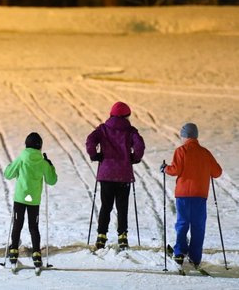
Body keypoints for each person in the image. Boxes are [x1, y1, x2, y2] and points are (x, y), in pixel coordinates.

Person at [160, 123, 222, 267]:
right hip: (200, 196)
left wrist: (165, 169)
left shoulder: (181, 151)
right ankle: (195, 257)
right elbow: (217, 172)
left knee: (182, 224)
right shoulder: (205, 153)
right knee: (198, 226)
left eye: (181, 135)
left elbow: (175, 170)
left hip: (183, 196)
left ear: (185, 136)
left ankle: (180, 253)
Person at [85, 101, 145, 250]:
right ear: (127, 116)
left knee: (106, 206)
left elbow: (90, 140)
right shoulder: (130, 131)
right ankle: (122, 236)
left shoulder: (103, 129)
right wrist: (134, 158)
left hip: (106, 174)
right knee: (122, 207)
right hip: (123, 174)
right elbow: (139, 146)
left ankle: (101, 236)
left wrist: (95, 155)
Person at [4, 132, 57, 268]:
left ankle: (14, 250)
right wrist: (50, 166)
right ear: (40, 147)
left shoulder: (21, 158)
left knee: (17, 224)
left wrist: (11, 166)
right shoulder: (42, 161)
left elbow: (8, 174)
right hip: (34, 200)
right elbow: (52, 180)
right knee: (34, 227)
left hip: (20, 198)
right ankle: (36, 253)